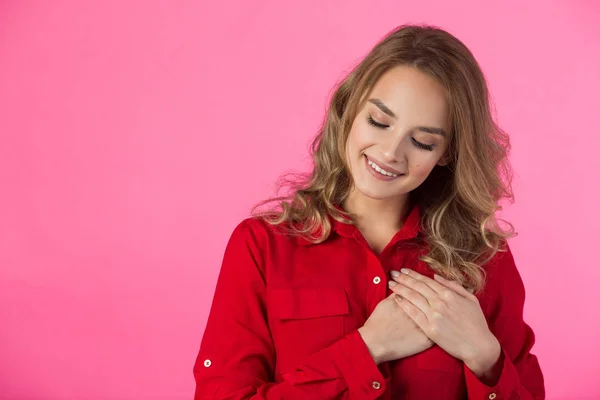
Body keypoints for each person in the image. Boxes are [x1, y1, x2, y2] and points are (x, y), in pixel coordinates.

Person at [193, 24, 545, 399]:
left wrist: (484, 355)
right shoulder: (261, 247)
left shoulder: (485, 261)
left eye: (423, 142)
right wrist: (366, 348)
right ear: (349, 108)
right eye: (378, 121)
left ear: (447, 155)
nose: (391, 151)